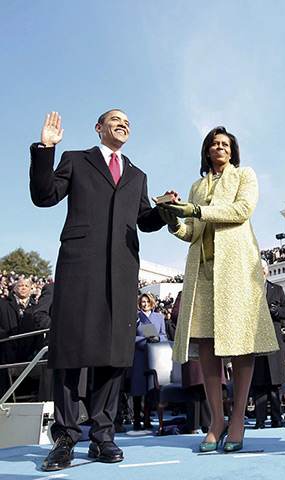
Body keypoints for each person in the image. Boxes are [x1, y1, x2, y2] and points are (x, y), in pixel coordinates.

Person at [29, 111, 167, 471]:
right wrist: (45, 148)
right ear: (99, 127)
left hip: (122, 270)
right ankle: (65, 437)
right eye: (115, 119)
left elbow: (145, 221)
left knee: (114, 352)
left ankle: (103, 436)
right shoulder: (76, 160)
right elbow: (44, 196)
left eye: (128, 121)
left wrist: (164, 210)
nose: (124, 124)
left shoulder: (137, 175)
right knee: (70, 349)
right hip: (79, 264)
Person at [157, 126, 278, 453]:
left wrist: (196, 211)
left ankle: (237, 416)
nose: (219, 148)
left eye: (225, 144)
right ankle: (216, 420)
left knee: (241, 342)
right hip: (204, 270)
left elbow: (242, 212)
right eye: (214, 144)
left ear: (232, 151)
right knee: (206, 344)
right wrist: (173, 220)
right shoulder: (197, 186)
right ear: (207, 151)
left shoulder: (245, 176)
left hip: (237, 268)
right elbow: (192, 232)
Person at [251, 260, 285, 429]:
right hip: (256, 339)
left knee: (275, 383)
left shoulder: (277, 289)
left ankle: (277, 420)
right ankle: (260, 421)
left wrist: (275, 311)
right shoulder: (249, 289)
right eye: (259, 269)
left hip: (274, 341)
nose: (262, 272)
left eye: (264, 269)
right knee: (259, 383)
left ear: (268, 271)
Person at [130, 293, 168, 430]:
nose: (144, 304)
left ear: (151, 302)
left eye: (147, 301)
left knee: (151, 387)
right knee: (138, 387)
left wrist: (158, 339)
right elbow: (130, 337)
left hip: (154, 355)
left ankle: (146, 419)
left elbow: (164, 335)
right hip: (139, 355)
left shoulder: (159, 317)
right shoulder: (136, 318)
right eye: (142, 302)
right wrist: (144, 340)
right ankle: (136, 419)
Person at [0, 278, 41, 399]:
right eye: (21, 285)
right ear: (14, 288)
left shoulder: (36, 307)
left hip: (29, 353)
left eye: (26, 286)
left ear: (30, 289)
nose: (23, 288)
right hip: (7, 352)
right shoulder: (3, 304)